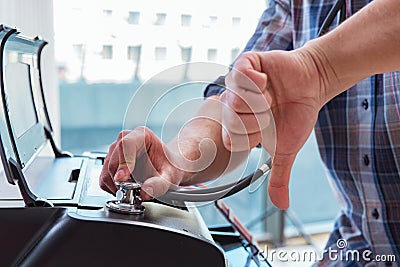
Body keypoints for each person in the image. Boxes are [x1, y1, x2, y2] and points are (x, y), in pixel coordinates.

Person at [100, 0, 400, 265]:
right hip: (358, 246)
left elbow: (309, 70)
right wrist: (177, 158)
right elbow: (233, 105)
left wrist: (317, 69)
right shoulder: (294, 5)